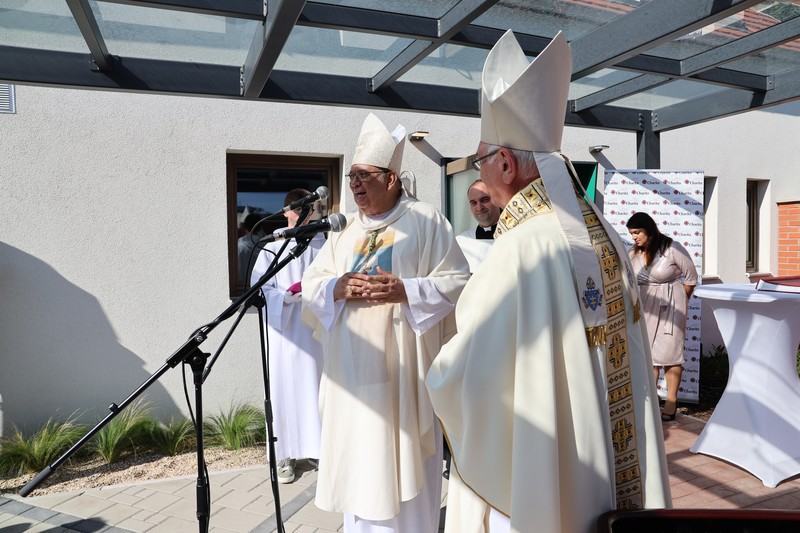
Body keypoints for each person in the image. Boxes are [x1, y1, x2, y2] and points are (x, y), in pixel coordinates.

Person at [426, 30, 671, 533]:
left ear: (508, 165)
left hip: (543, 466)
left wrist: (434, 372)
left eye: (480, 162)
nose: (480, 172)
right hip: (608, 449)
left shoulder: (521, 246)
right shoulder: (600, 230)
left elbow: (473, 367)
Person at [301, 112, 470, 532]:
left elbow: (458, 282)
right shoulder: (341, 229)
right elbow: (312, 283)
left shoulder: (426, 221)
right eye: (351, 176)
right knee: (358, 475)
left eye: (363, 176)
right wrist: (337, 288)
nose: (354, 185)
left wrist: (406, 292)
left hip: (404, 378)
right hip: (350, 378)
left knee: (406, 484)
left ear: (391, 178)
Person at [250, 190, 326, 484]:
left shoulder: (321, 242)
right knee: (284, 390)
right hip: (284, 332)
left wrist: (313, 293)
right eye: (301, 209)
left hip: (313, 329)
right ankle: (284, 456)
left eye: (311, 209)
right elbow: (261, 289)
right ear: (289, 211)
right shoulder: (273, 246)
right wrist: (285, 298)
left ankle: (316, 448)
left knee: (314, 386)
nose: (309, 213)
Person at [626, 211, 698, 422]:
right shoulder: (634, 253)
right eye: (631, 233)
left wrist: (681, 301)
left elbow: (691, 277)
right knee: (651, 357)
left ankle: (671, 402)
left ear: (649, 229)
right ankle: (648, 401)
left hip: (671, 306)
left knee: (671, 353)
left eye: (637, 232)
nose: (634, 237)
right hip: (646, 307)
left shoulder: (672, 248)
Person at [455, 179, 502, 273]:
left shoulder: (515, 235)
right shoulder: (460, 241)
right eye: (473, 203)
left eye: (484, 200)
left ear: (497, 200)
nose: (479, 207)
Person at [238, 212, 262, 285]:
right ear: (260, 227)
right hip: (263, 288)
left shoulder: (239, 247)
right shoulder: (267, 246)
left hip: (242, 288)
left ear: (245, 227)